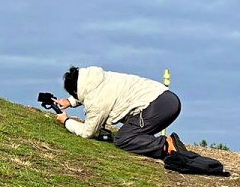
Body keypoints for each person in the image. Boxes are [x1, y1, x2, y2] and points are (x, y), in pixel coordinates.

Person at [53, 65, 185, 159]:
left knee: (123, 138)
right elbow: (88, 92)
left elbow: (88, 132)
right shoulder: (98, 78)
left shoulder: (96, 100)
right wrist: (70, 101)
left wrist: (66, 121)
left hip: (158, 106)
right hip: (166, 99)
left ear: (75, 91)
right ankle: (167, 145)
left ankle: (167, 146)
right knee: (132, 131)